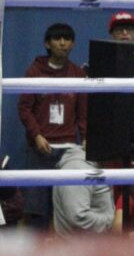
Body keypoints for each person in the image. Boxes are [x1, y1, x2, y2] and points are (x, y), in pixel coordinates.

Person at [17, 22, 88, 231]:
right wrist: (37, 136)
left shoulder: (78, 74)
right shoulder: (34, 72)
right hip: (41, 149)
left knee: (67, 208)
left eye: (67, 39)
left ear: (73, 44)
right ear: (47, 44)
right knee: (37, 209)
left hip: (69, 151)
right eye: (58, 39)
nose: (63, 43)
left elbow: (83, 112)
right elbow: (24, 108)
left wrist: (85, 138)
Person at [51, 145, 114, 237]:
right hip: (78, 245)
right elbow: (78, 217)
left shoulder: (93, 165)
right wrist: (110, 222)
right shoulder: (77, 168)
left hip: (92, 243)